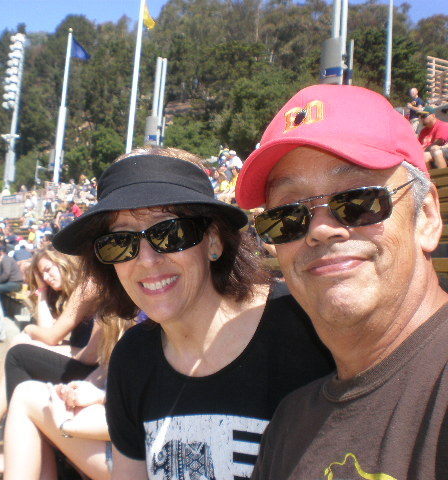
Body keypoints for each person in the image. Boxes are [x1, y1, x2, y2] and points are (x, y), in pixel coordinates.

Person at [52, 147, 334, 479]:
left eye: (170, 233)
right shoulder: (132, 358)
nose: (146, 260)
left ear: (213, 241)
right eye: (120, 242)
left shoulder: (307, 326)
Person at [234, 84, 448, 479]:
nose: (320, 230)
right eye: (288, 215)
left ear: (427, 217)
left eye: (357, 200)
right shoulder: (288, 426)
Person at [0, 247, 97, 454]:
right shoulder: (73, 290)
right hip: (84, 359)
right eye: (41, 274)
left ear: (64, 263)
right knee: (21, 341)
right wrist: (42, 291)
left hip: (92, 370)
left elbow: (51, 337)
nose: (46, 277)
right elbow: (48, 330)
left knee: (20, 345)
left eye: (48, 270)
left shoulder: (86, 286)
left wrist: (29, 328)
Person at [1, 317, 130, 480]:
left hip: (139, 464)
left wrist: (66, 425)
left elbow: (137, 424)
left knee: (25, 391)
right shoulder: (137, 326)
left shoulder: (147, 328)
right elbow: (108, 365)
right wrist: (75, 392)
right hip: (122, 434)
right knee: (34, 391)